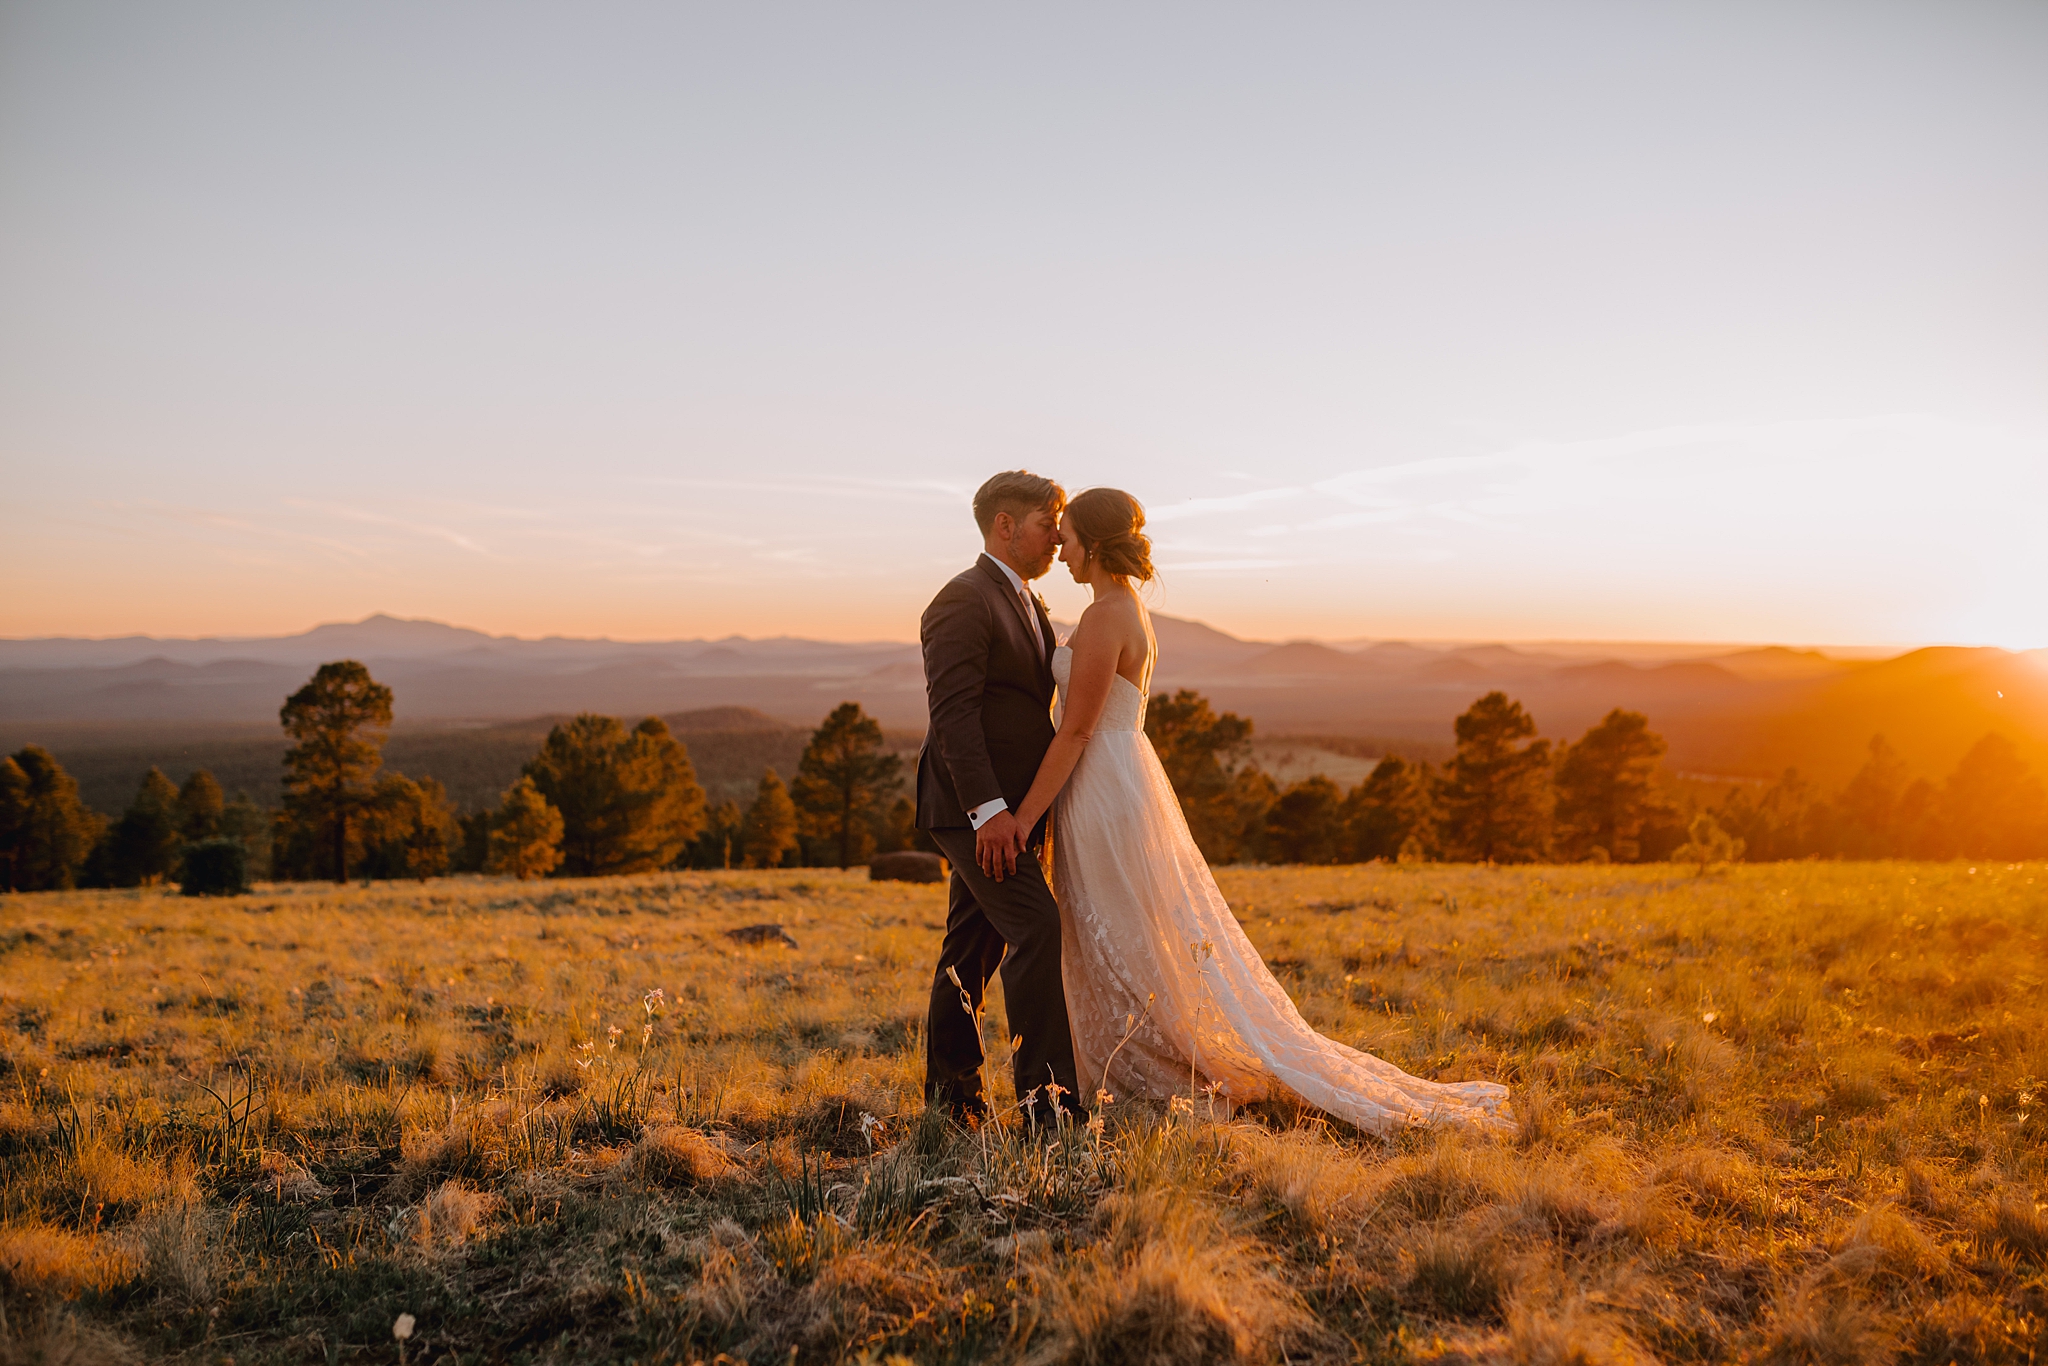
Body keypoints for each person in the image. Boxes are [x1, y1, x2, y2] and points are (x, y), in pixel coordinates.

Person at [1006, 486, 1514, 1135]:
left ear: (1096, 544)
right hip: (1111, 779)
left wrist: (1025, 817)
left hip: (1100, 782)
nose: (1061, 548)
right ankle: (1125, 1059)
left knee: (1118, 931)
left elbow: (1075, 731)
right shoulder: (1120, 607)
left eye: (1069, 536)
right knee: (1118, 929)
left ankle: (1149, 1068)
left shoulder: (1107, 615)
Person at [914, 470, 1082, 1124]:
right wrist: (988, 813)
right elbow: (953, 715)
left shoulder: (1026, 600)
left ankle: (952, 1103)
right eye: (1049, 526)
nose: (1057, 540)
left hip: (1012, 812)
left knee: (969, 953)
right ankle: (1049, 1106)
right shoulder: (963, 599)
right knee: (1037, 928)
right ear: (1006, 526)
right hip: (974, 811)